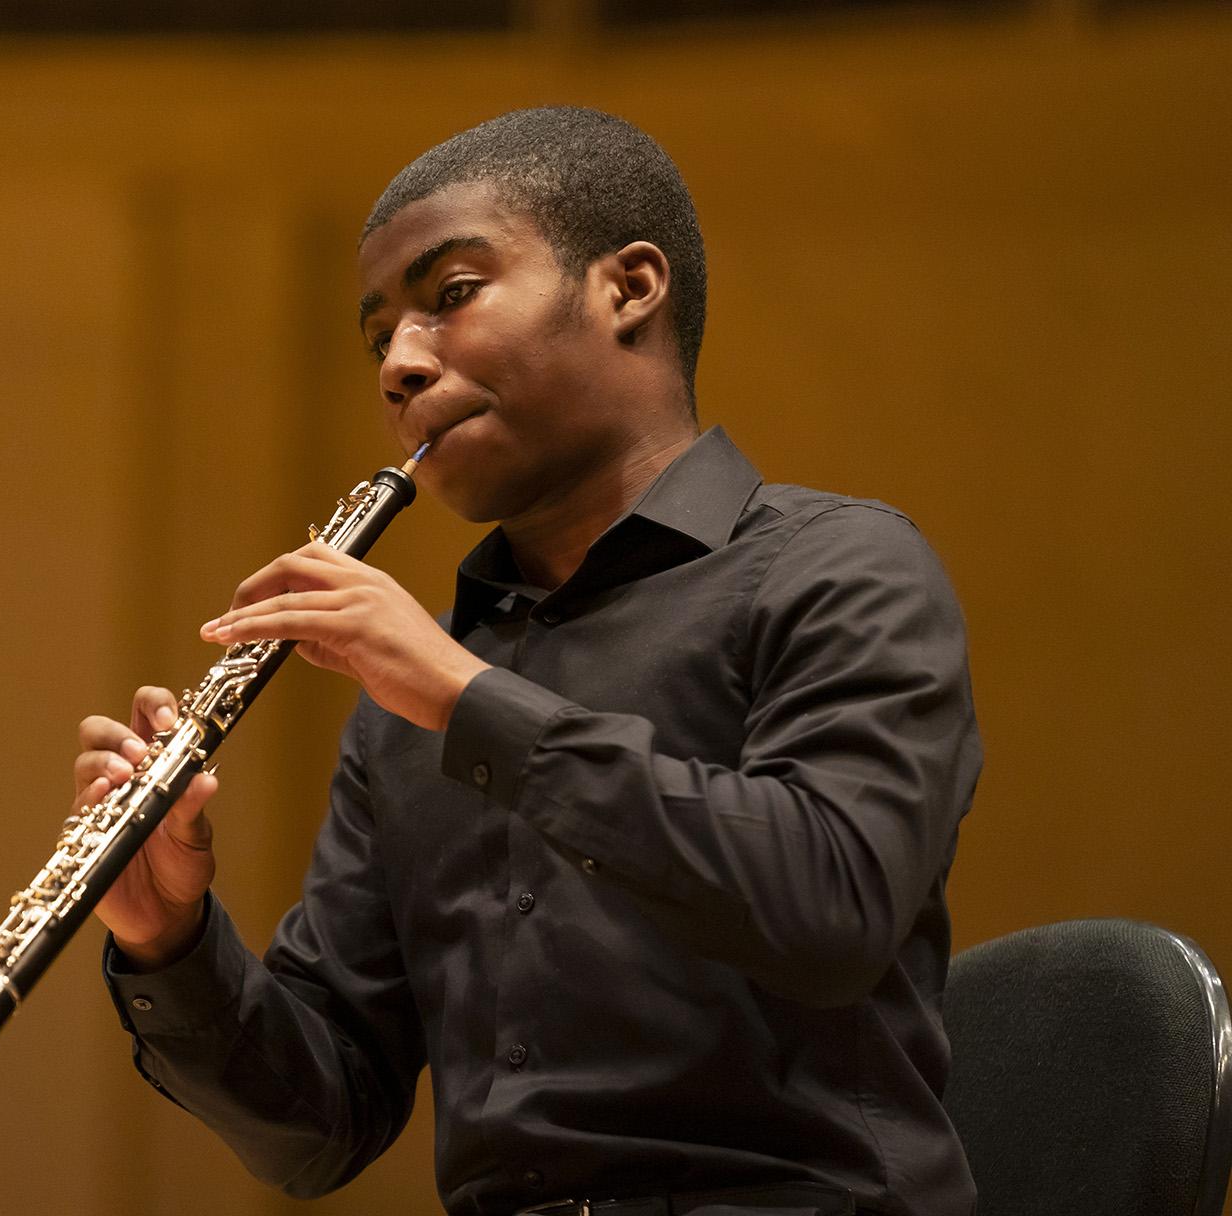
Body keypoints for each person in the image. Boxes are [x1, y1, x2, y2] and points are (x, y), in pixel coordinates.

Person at [72, 106, 980, 1216]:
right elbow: (320, 1128)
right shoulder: (408, 703)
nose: (402, 364)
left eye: (450, 295)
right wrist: (170, 942)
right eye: (378, 340)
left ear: (628, 287)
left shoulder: (841, 568)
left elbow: (830, 903)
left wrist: (467, 702)